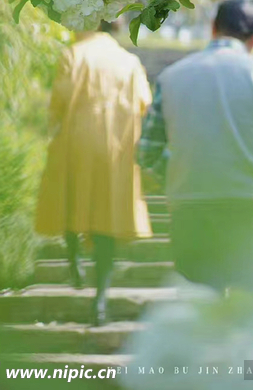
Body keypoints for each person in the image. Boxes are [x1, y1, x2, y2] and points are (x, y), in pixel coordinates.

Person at [137, 0, 253, 318]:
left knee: (198, 321)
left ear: (213, 28)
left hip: (191, 212)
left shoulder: (171, 78)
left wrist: (176, 176)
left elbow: (146, 152)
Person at [36, 22, 152, 325]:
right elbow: (144, 104)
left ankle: (74, 256)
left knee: (71, 203)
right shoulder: (130, 62)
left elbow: (57, 104)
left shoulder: (72, 54)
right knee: (106, 223)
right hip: (115, 150)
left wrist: (51, 128)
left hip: (75, 143)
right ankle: (100, 302)